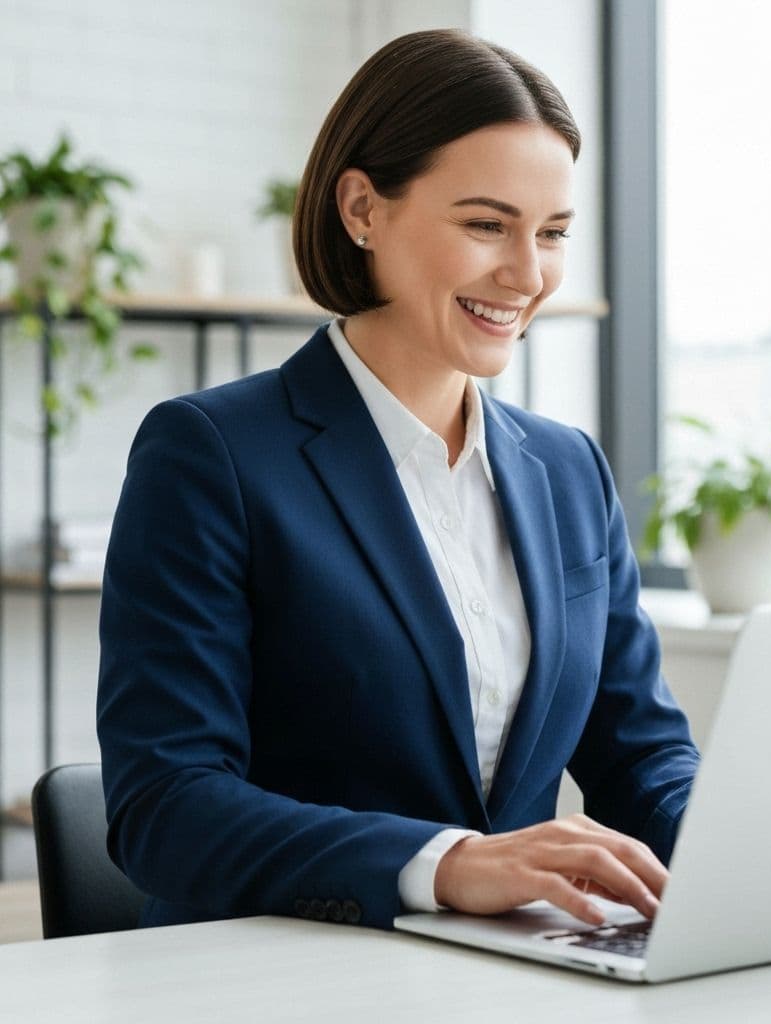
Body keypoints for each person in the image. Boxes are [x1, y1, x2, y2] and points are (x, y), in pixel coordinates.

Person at [97, 28, 700, 933]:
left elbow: (644, 759)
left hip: (509, 974)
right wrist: (450, 865)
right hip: (275, 975)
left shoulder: (569, 471)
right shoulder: (211, 453)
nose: (527, 274)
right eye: (486, 225)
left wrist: (761, 859)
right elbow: (166, 806)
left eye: (554, 234)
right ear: (362, 210)